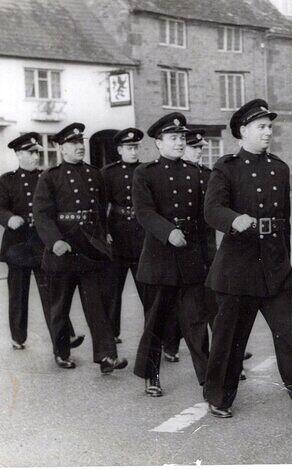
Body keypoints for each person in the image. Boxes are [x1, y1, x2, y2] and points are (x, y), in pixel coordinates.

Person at [202, 99, 292, 426]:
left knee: (289, 338)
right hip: (237, 270)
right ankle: (218, 396)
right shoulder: (226, 167)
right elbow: (212, 210)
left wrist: (285, 264)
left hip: (275, 270)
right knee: (230, 340)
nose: (267, 132)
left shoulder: (280, 168)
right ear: (243, 130)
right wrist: (233, 220)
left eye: (269, 127)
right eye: (261, 127)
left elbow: (285, 222)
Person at [33, 123, 128, 374]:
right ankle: (62, 352)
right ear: (61, 147)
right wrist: (55, 241)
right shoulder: (50, 177)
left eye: (80, 143)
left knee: (97, 305)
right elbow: (41, 214)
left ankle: (107, 356)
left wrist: (104, 233)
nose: (79, 147)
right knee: (60, 306)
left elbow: (100, 209)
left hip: (89, 250)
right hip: (63, 249)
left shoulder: (94, 174)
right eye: (73, 144)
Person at [132, 113, 212, 397]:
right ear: (158, 142)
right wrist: (167, 232)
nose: (179, 143)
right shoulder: (145, 173)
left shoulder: (195, 173)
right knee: (156, 321)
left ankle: (208, 380)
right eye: (173, 138)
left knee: (196, 322)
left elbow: (204, 220)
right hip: (159, 260)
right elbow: (144, 212)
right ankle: (151, 375)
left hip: (191, 260)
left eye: (181, 138)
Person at [161, 129, 252, 376]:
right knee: (188, 312)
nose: (199, 152)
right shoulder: (169, 175)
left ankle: (226, 360)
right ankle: (180, 351)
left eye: (201, 148)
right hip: (180, 252)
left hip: (207, 249)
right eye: (195, 148)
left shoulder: (207, 175)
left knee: (214, 306)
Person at [0, 132, 83, 351]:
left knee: (52, 293)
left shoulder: (47, 177)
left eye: (36, 153)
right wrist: (8, 218)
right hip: (18, 245)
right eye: (30, 153)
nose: (35, 157)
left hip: (43, 243)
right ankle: (18, 336)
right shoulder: (7, 180)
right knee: (18, 294)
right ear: (18, 154)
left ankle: (64, 337)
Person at [101, 128, 147, 344]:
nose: (133, 151)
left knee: (148, 289)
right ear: (119, 150)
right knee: (112, 290)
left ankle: (153, 333)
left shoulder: (146, 170)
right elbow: (101, 206)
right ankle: (112, 333)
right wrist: (105, 232)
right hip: (117, 236)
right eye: (129, 147)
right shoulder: (109, 173)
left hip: (141, 236)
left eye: (136, 147)